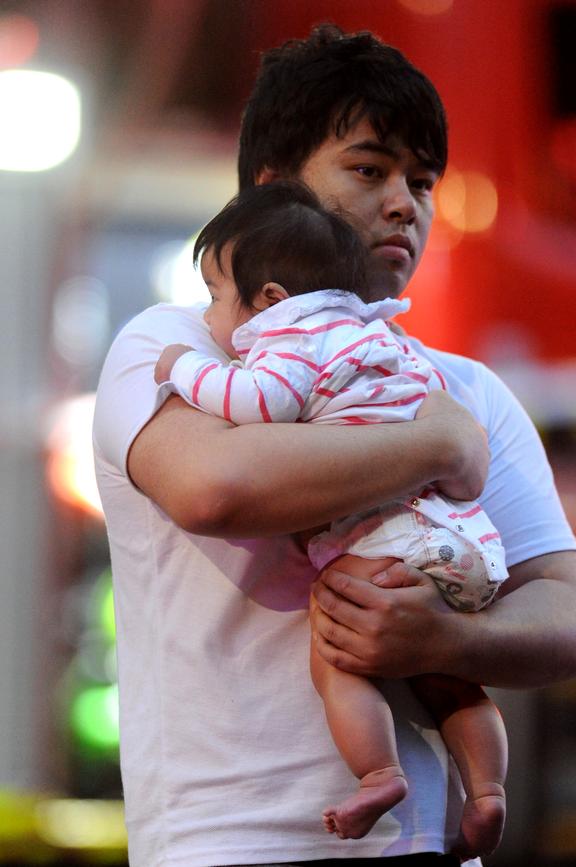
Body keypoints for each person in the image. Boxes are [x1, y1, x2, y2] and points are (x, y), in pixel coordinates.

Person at [93, 23, 576, 867]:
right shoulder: (173, 345)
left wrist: (445, 642)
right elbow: (213, 487)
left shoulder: (468, 388)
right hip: (228, 844)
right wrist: (437, 445)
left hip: (430, 846)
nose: (406, 202)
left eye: (424, 180)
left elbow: (574, 621)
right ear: (270, 189)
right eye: (370, 170)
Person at [153, 179, 509, 856]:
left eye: (216, 298)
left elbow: (259, 399)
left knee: (339, 656)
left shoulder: (290, 336)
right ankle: (488, 788)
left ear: (271, 300)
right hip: (462, 542)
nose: (207, 318)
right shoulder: (383, 336)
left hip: (384, 539)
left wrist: (185, 369)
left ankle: (378, 772)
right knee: (451, 677)